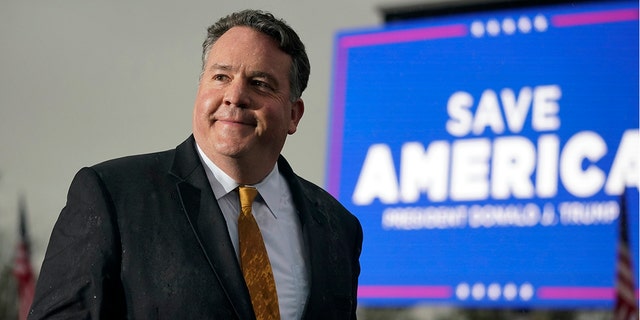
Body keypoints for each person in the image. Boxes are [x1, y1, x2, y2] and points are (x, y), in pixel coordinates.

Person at [29, 9, 362, 320]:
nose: (235, 96)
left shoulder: (337, 228)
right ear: (200, 89)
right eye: (221, 77)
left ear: (293, 114)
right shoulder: (113, 196)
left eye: (260, 83)